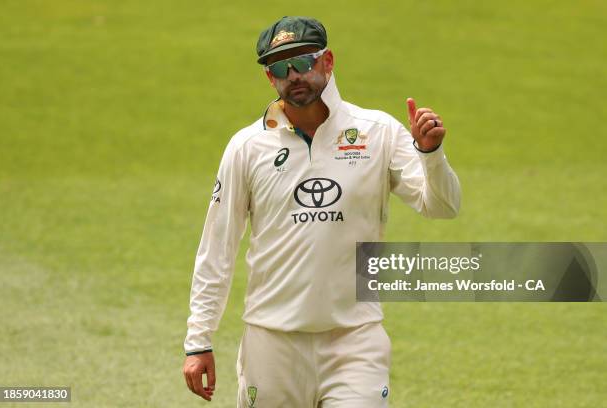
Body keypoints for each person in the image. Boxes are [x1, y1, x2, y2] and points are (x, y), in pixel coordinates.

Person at [183, 16, 461, 407]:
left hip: (354, 341)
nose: (294, 74)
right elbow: (217, 248)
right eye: (280, 67)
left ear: (328, 61)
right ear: (270, 78)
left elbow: (443, 207)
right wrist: (199, 340)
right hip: (271, 342)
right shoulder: (247, 147)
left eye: (304, 61)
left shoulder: (377, 132)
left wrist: (430, 155)